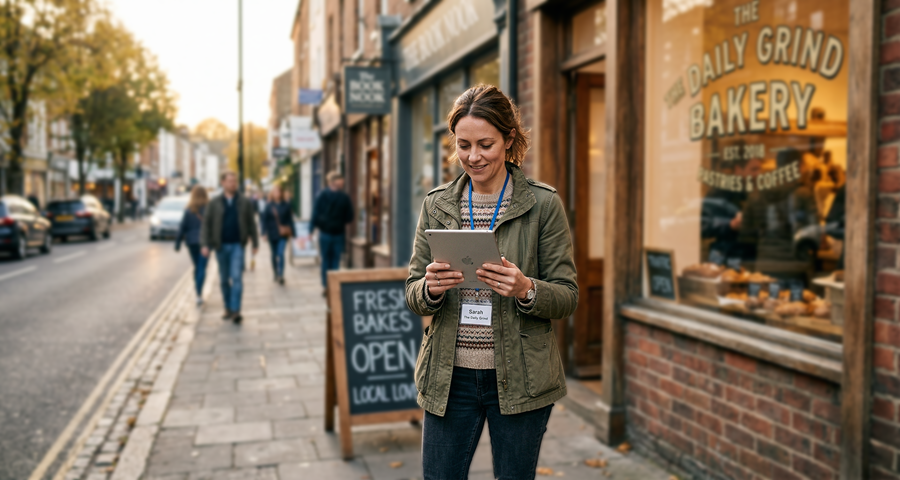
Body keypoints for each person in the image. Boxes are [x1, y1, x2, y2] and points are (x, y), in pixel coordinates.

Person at [405, 84, 578, 480]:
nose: (473, 156)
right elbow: (413, 290)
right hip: (450, 377)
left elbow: (567, 296)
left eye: (485, 144)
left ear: (509, 138)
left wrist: (525, 289)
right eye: (463, 145)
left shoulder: (542, 204)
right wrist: (430, 288)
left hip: (520, 377)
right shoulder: (437, 204)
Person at [200, 172, 259, 323]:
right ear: (223, 183)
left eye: (234, 181)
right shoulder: (214, 203)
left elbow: (251, 223)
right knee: (224, 280)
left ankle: (236, 310)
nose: (233, 184)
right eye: (229, 181)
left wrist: (255, 243)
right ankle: (227, 306)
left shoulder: (244, 201)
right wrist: (205, 244)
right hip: (220, 246)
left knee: (237, 278)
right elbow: (207, 225)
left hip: (238, 245)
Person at [310, 171, 353, 290]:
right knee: (335, 261)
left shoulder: (321, 195)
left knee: (326, 260)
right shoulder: (344, 197)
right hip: (338, 233)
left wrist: (311, 229)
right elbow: (349, 217)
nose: (343, 183)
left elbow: (315, 213)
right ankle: (334, 286)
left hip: (325, 233)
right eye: (341, 181)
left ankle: (326, 285)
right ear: (336, 182)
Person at [175, 185, 209, 306]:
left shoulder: (189, 210)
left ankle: (198, 292)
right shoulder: (208, 209)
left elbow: (182, 227)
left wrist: (177, 243)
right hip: (205, 243)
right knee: (202, 268)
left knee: (197, 267)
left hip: (192, 243)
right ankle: (199, 293)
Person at [261, 186, 296, 285]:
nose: (277, 194)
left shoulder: (287, 205)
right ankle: (275, 273)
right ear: (272, 193)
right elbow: (264, 220)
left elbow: (290, 219)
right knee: (273, 254)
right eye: (275, 192)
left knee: (280, 254)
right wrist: (264, 233)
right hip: (272, 233)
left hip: (283, 234)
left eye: (279, 192)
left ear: (281, 193)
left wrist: (294, 232)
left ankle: (281, 274)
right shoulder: (269, 205)